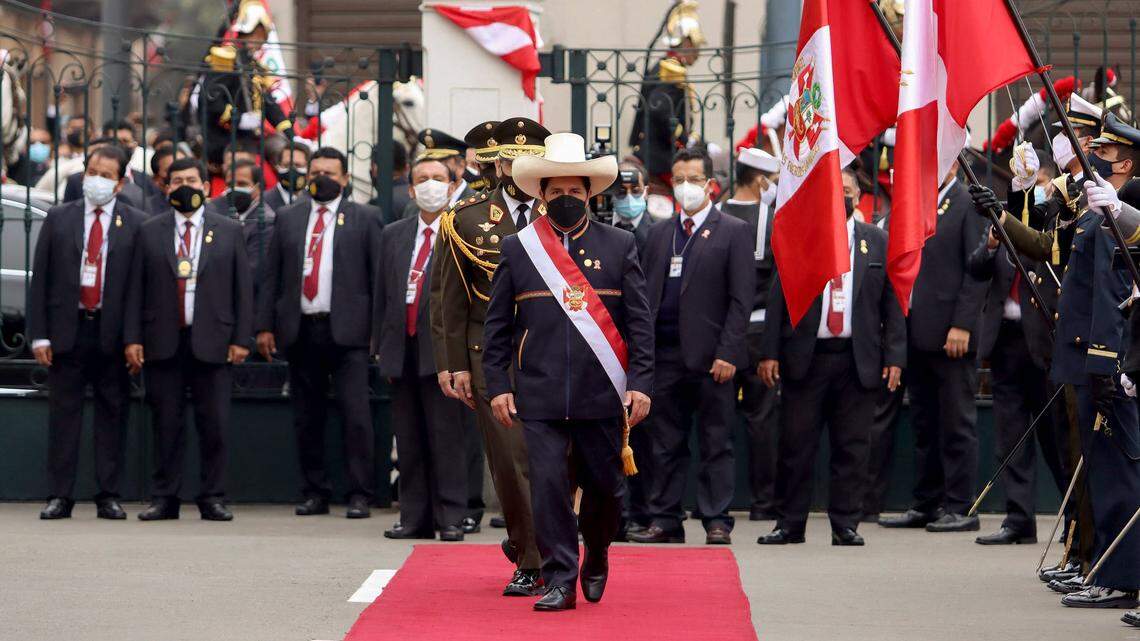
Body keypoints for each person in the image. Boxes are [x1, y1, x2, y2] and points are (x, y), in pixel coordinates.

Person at [482, 132, 654, 610]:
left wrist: (640, 383)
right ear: (542, 195)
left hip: (603, 394)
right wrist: (498, 385)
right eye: (555, 193)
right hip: (538, 394)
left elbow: (640, 322)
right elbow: (497, 326)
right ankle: (561, 577)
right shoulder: (519, 249)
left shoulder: (620, 245)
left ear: (589, 194)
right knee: (550, 487)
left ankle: (596, 550)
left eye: (573, 192)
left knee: (606, 489)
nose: (565, 200)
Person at [757, 167, 905, 545]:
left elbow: (892, 302)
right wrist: (769, 351)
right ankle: (790, 523)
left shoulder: (876, 240)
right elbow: (779, 295)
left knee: (853, 446)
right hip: (807, 356)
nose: (841, 195)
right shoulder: (803, 237)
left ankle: (845, 524)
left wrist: (895, 356)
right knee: (796, 445)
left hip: (857, 359)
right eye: (834, 190)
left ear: (858, 195)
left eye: (848, 189)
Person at [433, 117, 549, 597]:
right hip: (489, 356)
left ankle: (532, 538)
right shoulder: (467, 218)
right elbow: (448, 300)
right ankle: (533, 558)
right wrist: (452, 363)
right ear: (496, 163)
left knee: (555, 461)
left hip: (553, 354)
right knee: (511, 458)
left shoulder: (562, 212)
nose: (516, 167)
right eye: (509, 159)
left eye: (529, 161)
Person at [1038, 113, 1140, 609]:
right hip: (1086, 357)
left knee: (1116, 473)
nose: (1091, 153)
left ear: (1123, 162)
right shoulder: (1094, 209)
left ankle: (1120, 577)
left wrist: (1105, 362)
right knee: (1100, 470)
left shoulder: (1122, 210)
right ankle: (1102, 565)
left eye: (1102, 150)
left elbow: (1114, 291)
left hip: (1106, 360)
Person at [629, 147, 753, 545]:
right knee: (664, 443)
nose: (685, 187)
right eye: (678, 179)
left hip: (712, 357)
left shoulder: (732, 231)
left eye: (694, 180)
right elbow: (645, 296)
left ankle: (716, 518)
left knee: (716, 442)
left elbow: (741, 299)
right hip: (665, 356)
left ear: (711, 184)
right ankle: (664, 518)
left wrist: (729, 351)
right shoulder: (659, 233)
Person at [255, 147, 383, 519]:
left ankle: (360, 492)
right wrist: (265, 325)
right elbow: (271, 276)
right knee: (307, 416)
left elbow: (377, 278)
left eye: (329, 172)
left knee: (356, 415)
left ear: (344, 178)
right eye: (315, 172)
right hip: (301, 328)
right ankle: (314, 491)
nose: (321, 178)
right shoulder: (288, 217)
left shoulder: (365, 217)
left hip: (349, 333)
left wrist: (376, 331)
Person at [124, 157, 254, 521]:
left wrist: (241, 337)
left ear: (205, 186)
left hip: (213, 340)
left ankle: (212, 496)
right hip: (163, 339)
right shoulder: (150, 230)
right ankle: (165, 497)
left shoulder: (228, 229)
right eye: (176, 179)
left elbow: (242, 288)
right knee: (166, 424)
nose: (185, 185)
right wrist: (133, 337)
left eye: (191, 179)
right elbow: (136, 288)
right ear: (165, 187)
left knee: (214, 424)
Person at [28, 145, 148, 520]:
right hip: (68, 330)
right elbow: (41, 279)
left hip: (111, 335)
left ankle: (108, 494)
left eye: (106, 175)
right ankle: (59, 495)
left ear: (120, 181)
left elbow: (137, 288)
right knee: (64, 417)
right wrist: (40, 335)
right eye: (92, 171)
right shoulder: (59, 218)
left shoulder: (136, 222)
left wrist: (133, 338)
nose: (96, 180)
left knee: (113, 414)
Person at [965, 148, 1069, 547]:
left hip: (1044, 339)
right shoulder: (1004, 219)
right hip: (1005, 340)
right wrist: (992, 243)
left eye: (1040, 184)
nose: (1034, 193)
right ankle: (1018, 518)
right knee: (1011, 436)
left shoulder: (1055, 220)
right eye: (1027, 187)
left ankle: (1075, 517)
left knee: (1057, 436)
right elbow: (976, 267)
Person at [878, 160, 989, 533]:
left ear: (954, 161)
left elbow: (977, 273)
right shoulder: (915, 203)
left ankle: (960, 505)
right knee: (924, 422)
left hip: (950, 333)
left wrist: (962, 324)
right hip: (916, 329)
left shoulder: (966, 202)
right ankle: (927, 502)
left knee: (957, 423)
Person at [376, 157, 468, 541]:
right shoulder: (393, 234)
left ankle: (451, 516)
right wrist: (380, 346)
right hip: (402, 346)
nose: (430, 185)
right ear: (411, 190)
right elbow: (383, 293)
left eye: (438, 178)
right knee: (408, 437)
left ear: (451, 187)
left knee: (446, 437)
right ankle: (414, 516)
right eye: (422, 179)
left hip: (444, 353)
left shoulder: (464, 232)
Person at [720, 146, 780, 521]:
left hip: (722, 335)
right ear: (760, 181)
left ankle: (718, 504)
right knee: (763, 423)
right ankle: (764, 503)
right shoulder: (773, 220)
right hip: (760, 333)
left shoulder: (716, 217)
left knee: (718, 424)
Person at [629, 0, 705, 218]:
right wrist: (682, 137)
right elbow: (659, 109)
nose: (698, 53)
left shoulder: (670, 66)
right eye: (696, 46)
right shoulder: (670, 69)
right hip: (661, 154)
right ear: (686, 43)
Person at [208, 159, 275, 297]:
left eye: (242, 184)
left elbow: (254, 272)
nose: (234, 189)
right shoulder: (224, 215)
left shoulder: (266, 222)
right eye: (229, 184)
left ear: (258, 187)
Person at [402, 128, 474, 218]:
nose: (433, 167)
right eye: (428, 161)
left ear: (461, 166)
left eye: (441, 161)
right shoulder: (414, 206)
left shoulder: (476, 204)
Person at [611, 160, 653, 252]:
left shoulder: (657, 232)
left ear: (646, 192)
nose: (629, 197)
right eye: (621, 191)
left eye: (635, 190)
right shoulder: (599, 225)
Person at [265, 142, 311, 212]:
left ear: (309, 169)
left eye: (298, 165)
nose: (292, 170)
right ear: (278, 167)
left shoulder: (315, 200)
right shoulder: (263, 201)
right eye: (286, 165)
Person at [463, 121, 500, 194]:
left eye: (500, 163)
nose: (496, 170)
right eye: (487, 164)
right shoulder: (473, 204)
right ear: (477, 166)